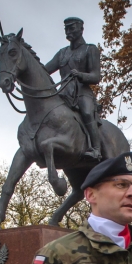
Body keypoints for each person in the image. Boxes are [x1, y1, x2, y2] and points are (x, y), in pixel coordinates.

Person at [45, 17, 103, 160]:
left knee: (87, 113)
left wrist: (81, 75)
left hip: (82, 92)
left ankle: (96, 149)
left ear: (81, 29)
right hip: (63, 93)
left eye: (72, 28)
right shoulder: (62, 53)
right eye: (66, 29)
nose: (68, 31)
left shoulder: (90, 49)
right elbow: (44, 70)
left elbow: (96, 76)